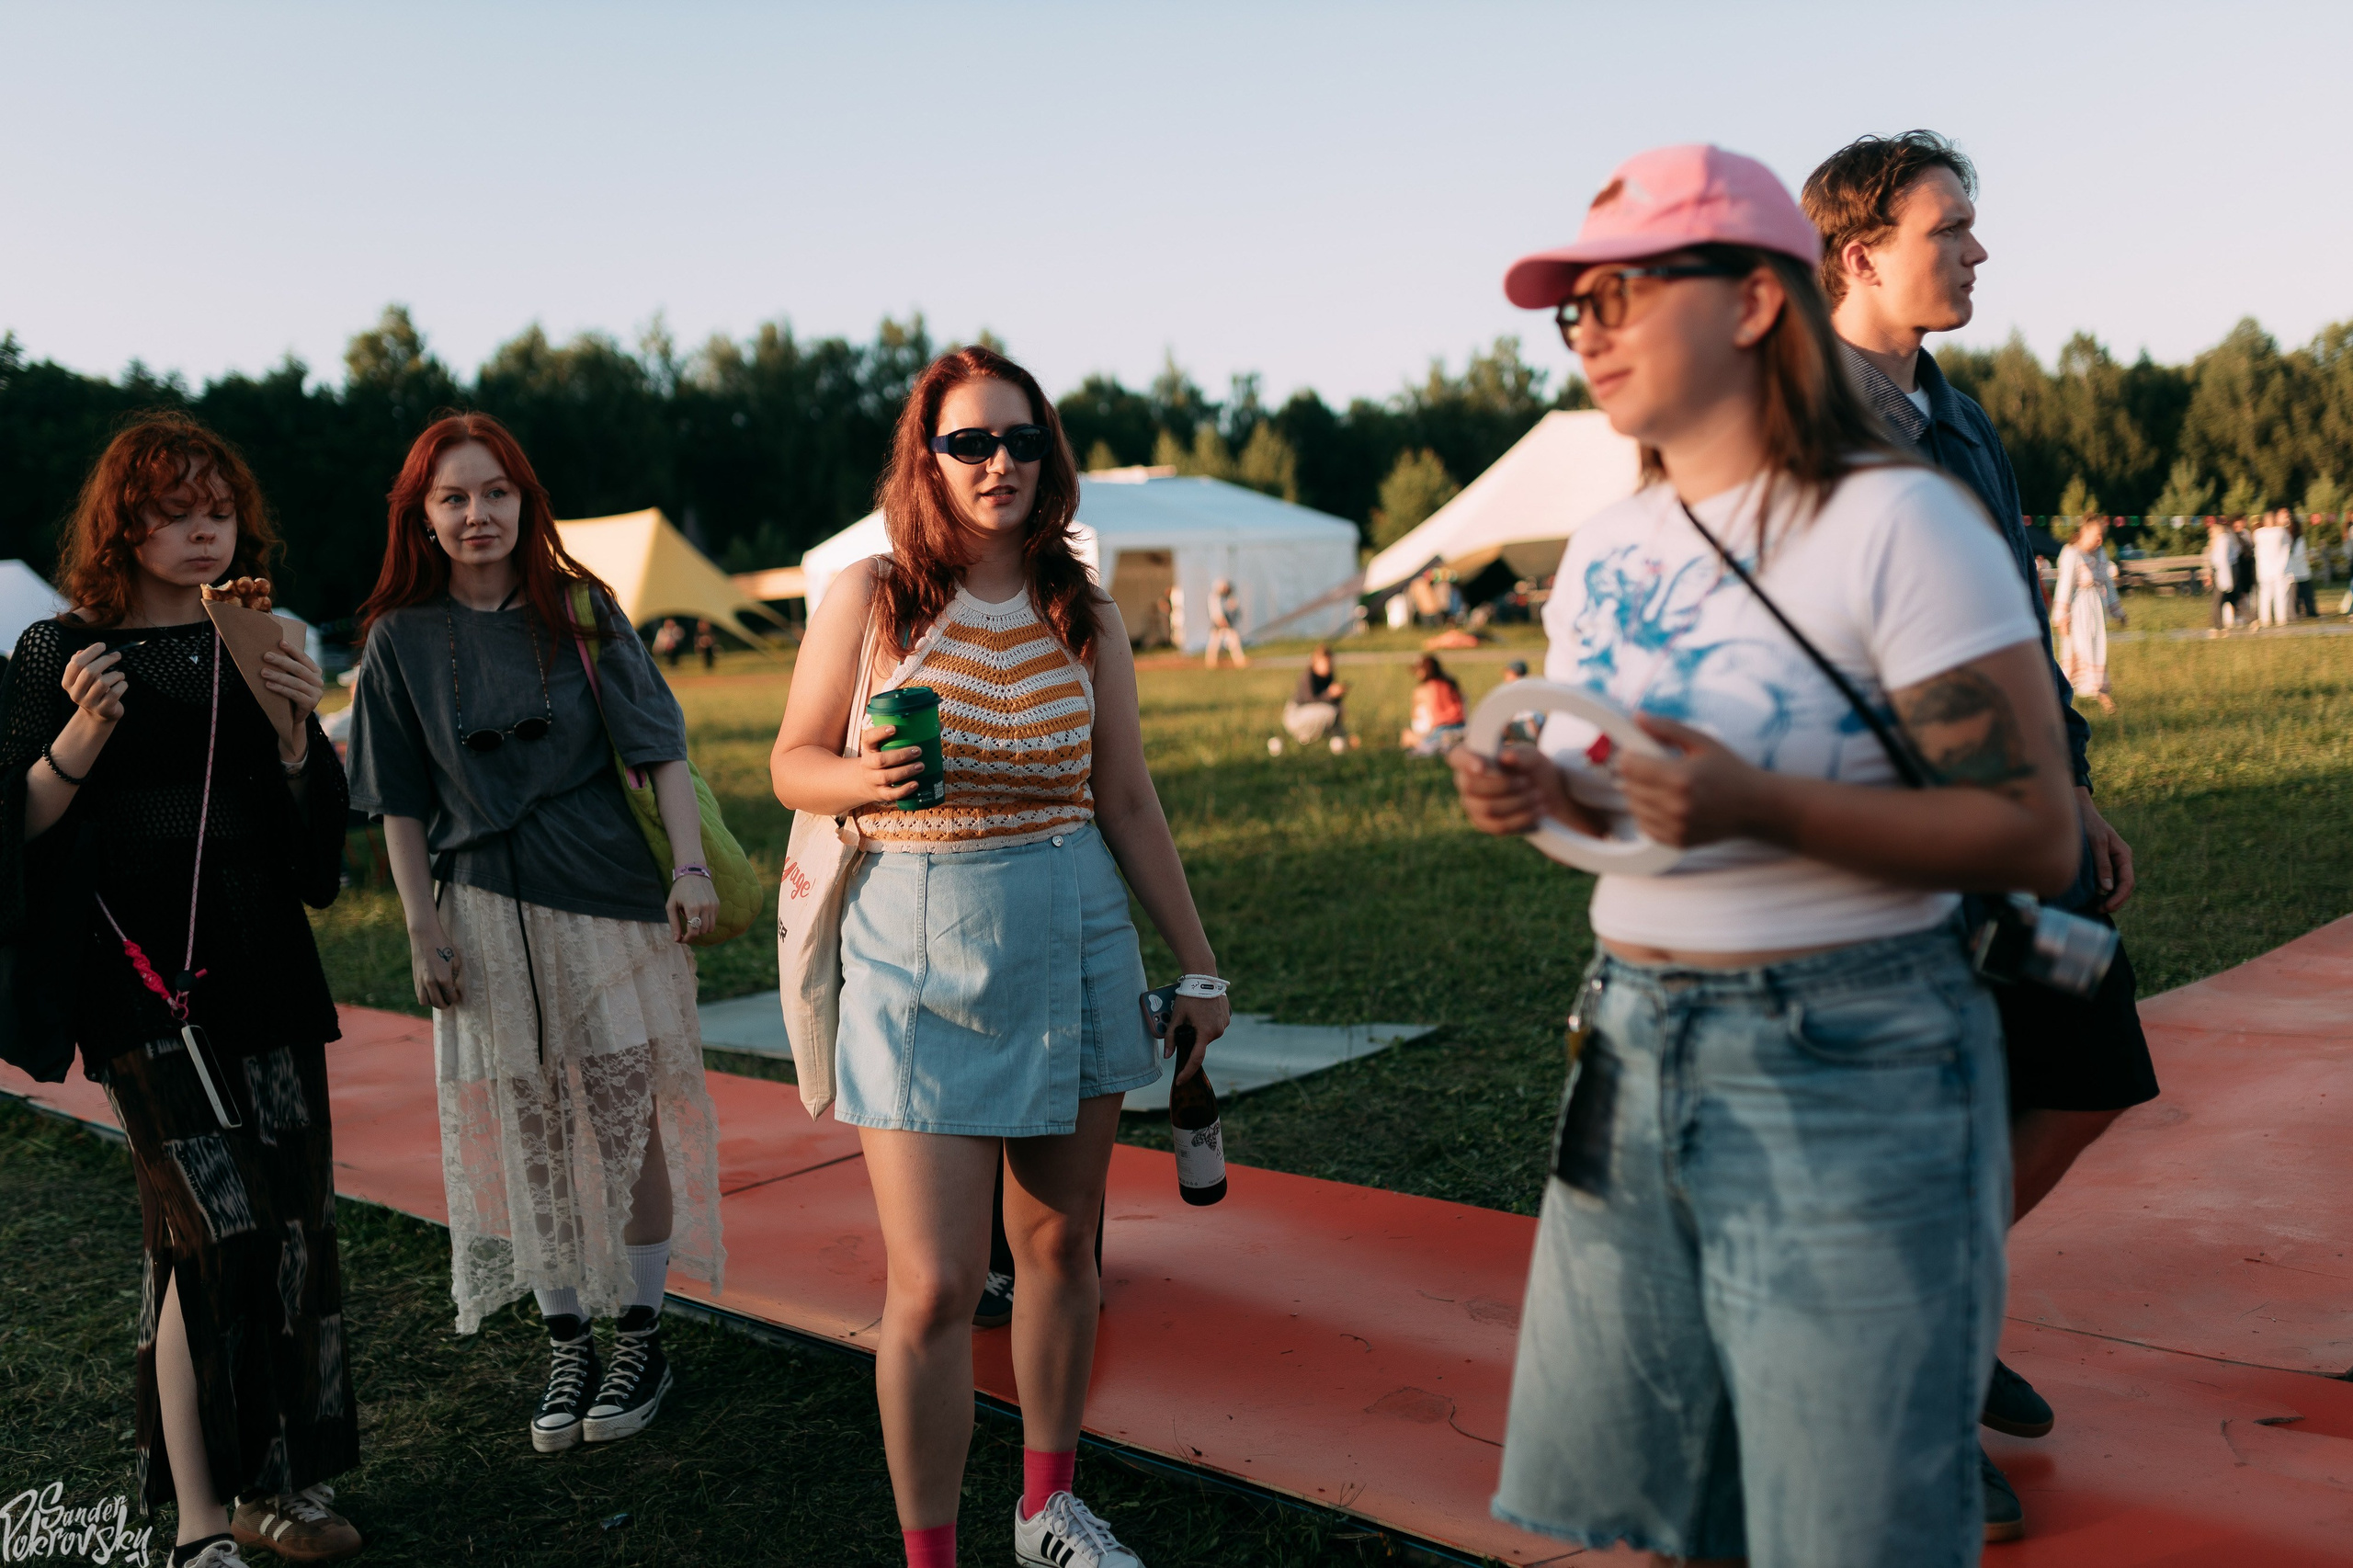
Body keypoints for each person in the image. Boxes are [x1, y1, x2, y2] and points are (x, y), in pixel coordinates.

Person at [1467, 142, 2080, 1567]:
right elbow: (1634, 795)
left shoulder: (1899, 520)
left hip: (1850, 1049)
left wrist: (1763, 809)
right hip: (1624, 1040)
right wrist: (1544, 788)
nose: (1590, 332)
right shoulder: (1611, 544)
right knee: (1678, 1501)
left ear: (1754, 300)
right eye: (1576, 309)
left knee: (1848, 1524)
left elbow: (2029, 826)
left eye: (1623, 293)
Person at [768, 346, 1230, 1568]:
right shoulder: (872, 596)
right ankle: (933, 1557)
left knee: (1061, 1246)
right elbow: (789, 761)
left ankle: (1046, 1510)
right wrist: (860, 777)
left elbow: (1126, 796)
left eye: (1022, 439)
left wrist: (1197, 962)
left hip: (1076, 924)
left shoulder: (1080, 605)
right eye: (969, 442)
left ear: (1050, 454)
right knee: (928, 1283)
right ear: (926, 459)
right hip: (918, 937)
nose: (1000, 463)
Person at [1805, 129, 2162, 1542]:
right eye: (1950, 227)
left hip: (2021, 832)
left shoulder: (1958, 415)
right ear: (1861, 254)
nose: (1977, 248)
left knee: (2090, 1061)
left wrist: (2070, 779)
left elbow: (2013, 625)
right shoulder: (1794, 428)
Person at [0, 414, 358, 1568]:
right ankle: (202, 1517)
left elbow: (316, 862)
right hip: (136, 980)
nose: (203, 526)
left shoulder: (259, 637)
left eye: (218, 505)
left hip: (265, 971)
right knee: (217, 1229)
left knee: (294, 1234)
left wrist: (302, 736)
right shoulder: (59, 646)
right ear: (123, 523)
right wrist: (83, 735)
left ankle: (276, 1486)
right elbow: (14, 827)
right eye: (171, 508)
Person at [344, 413, 725, 1455]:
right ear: (421, 515)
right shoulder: (399, 639)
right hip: (482, 915)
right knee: (532, 1132)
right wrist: (423, 932)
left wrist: (689, 869)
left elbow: (659, 748)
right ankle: (568, 1340)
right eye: (454, 497)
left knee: (620, 1119)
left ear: (525, 499)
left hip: (603, 901)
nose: (478, 514)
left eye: (496, 492)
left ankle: (641, 1330)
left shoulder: (583, 606)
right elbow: (399, 804)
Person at [2052, 516, 2125, 711]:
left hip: (2095, 609)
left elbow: (2108, 584)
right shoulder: (2072, 554)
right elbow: (2065, 585)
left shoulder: (2100, 554)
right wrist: (2062, 616)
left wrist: (2118, 611)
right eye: (2096, 536)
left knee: (2096, 649)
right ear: (2084, 533)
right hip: (2078, 610)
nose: (2099, 540)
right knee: (2077, 651)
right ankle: (2062, 701)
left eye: (2102, 536)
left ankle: (2102, 694)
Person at [1282, 643, 1352, 750]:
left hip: (1310, 712)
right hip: (1295, 715)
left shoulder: (1329, 676)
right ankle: (1305, 735)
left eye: (1330, 663)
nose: (1328, 666)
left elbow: (1329, 702)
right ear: (1316, 662)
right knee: (1330, 712)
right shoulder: (1308, 677)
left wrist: (1338, 695)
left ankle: (1341, 739)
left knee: (1337, 710)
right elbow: (1311, 700)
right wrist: (1330, 694)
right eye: (1325, 663)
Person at [1399, 653, 1466, 755]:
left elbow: (1418, 718)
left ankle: (1433, 746)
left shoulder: (1424, 690)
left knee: (1408, 736)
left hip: (1441, 729)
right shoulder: (1451, 684)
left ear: (1424, 671)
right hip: (1462, 728)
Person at [2253, 507, 2293, 627]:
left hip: (2264, 570)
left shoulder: (2258, 533)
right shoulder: (2280, 532)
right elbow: (2289, 543)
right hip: (2279, 569)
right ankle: (2281, 618)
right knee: (2280, 596)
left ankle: (2265, 619)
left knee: (2265, 596)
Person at [2205, 517, 2240, 634]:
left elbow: (2222, 560)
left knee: (2217, 601)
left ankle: (2218, 626)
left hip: (2222, 573)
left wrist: (2224, 578)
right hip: (2220, 572)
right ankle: (2250, 618)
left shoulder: (2223, 540)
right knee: (2231, 599)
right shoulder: (2219, 540)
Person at [1204, 577, 1246, 667]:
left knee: (1234, 643)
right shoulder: (1214, 598)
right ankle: (1210, 663)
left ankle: (1239, 662)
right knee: (1214, 645)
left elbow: (1234, 611)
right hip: (1218, 626)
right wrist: (1221, 621)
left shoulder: (1229, 598)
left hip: (1227, 626)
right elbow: (1215, 613)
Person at [2291, 514, 2318, 619]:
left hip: (2294, 571)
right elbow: (2299, 555)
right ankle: (2310, 611)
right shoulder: (2300, 540)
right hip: (2301, 571)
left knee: (2297, 595)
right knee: (2307, 594)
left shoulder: (2289, 539)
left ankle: (2298, 611)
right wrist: (2309, 554)